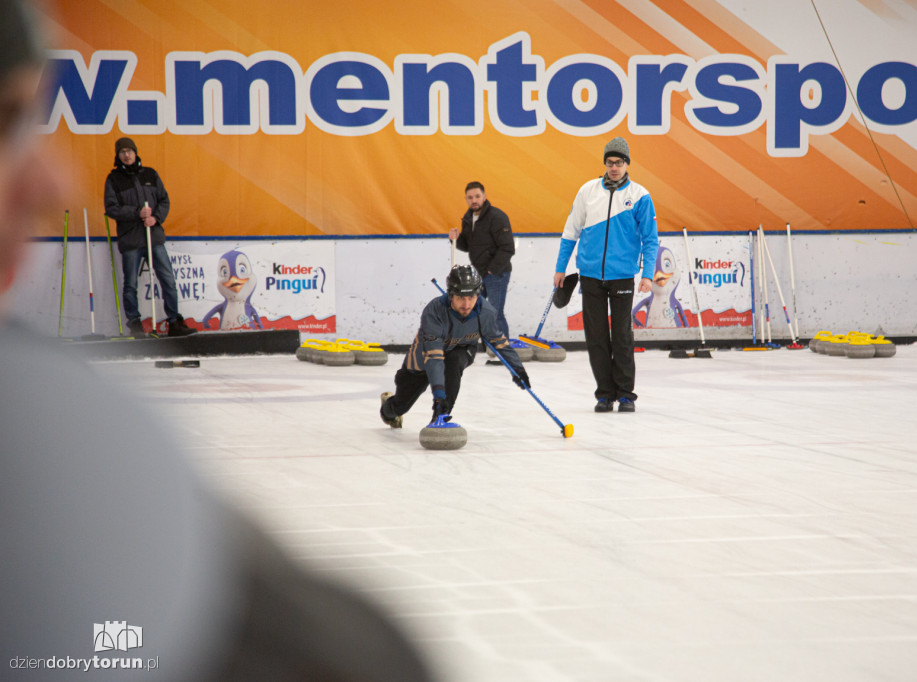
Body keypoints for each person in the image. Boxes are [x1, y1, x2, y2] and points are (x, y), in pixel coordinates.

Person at [1, 3, 435, 679]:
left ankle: (169, 320)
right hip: (127, 238)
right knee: (134, 281)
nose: (53, 181)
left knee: (165, 279)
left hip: (155, 234)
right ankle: (144, 322)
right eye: (7, 121)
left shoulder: (72, 445)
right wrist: (128, 212)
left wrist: (156, 211)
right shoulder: (43, 448)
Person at [553, 136, 659, 413]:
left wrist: (647, 274)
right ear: (604, 164)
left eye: (619, 162)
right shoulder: (587, 191)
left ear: (627, 164)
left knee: (622, 335)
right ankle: (604, 394)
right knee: (597, 337)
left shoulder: (639, 196)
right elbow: (570, 232)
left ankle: (625, 395)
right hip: (590, 277)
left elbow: (650, 239)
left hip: (622, 276)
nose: (614, 167)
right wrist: (560, 268)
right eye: (610, 162)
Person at [380, 264, 530, 428]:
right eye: (460, 298)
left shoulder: (486, 313)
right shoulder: (434, 312)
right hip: (424, 359)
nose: (466, 305)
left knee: (454, 361)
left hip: (461, 349)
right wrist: (438, 397)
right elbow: (435, 358)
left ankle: (441, 416)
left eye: (471, 297)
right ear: (451, 295)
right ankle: (388, 407)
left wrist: (518, 370)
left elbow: (500, 342)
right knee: (399, 407)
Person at [104, 136, 196, 337]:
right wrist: (136, 212)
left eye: (129, 151)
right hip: (131, 240)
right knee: (130, 284)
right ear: (118, 156)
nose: (126, 155)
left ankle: (174, 321)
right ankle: (135, 323)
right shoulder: (113, 179)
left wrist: (155, 218)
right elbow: (111, 208)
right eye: (122, 152)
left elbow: (164, 200)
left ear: (136, 152)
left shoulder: (150, 174)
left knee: (168, 280)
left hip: (154, 237)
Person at [448, 181, 515, 341]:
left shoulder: (497, 217)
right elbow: (468, 245)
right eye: (470, 197)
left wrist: (492, 270)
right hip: (478, 274)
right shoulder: (468, 217)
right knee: (477, 310)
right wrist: (455, 239)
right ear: (466, 199)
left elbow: (508, 248)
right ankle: (489, 348)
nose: (474, 200)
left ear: (484, 197)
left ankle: (502, 352)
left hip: (496, 275)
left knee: (495, 313)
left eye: (477, 196)